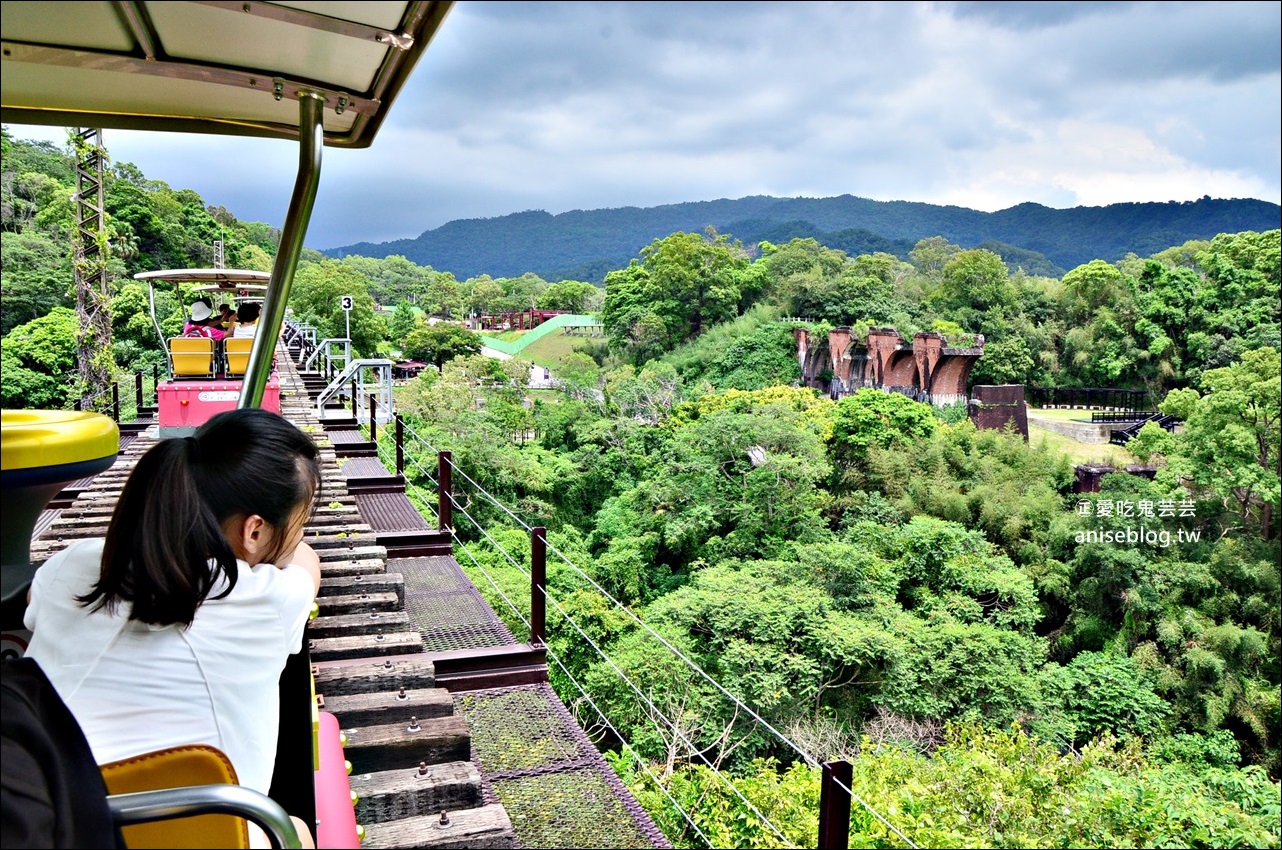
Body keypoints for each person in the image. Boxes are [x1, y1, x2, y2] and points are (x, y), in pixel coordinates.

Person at [23, 408, 321, 847]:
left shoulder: (71, 565)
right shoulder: (263, 599)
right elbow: (307, 566)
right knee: (293, 829)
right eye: (300, 523)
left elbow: (33, 603)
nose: (298, 536)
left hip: (48, 817)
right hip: (198, 824)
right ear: (254, 530)